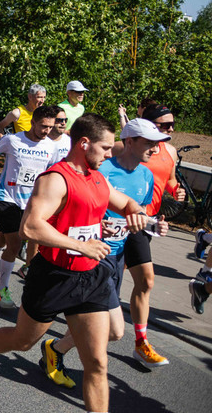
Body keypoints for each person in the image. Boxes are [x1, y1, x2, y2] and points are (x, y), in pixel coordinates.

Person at [0, 114, 149, 413]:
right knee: (22, 341)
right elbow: (30, 227)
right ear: (84, 144)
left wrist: (140, 215)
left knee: (97, 362)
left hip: (91, 277)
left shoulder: (99, 178)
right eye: (104, 148)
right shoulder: (55, 179)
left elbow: (126, 203)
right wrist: (81, 244)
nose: (108, 154)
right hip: (53, 276)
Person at [42, 118, 169, 388]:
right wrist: (99, 229)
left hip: (116, 255)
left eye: (157, 144)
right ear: (131, 141)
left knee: (110, 329)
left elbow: (137, 211)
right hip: (89, 257)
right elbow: (73, 210)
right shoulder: (101, 168)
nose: (154, 149)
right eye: (149, 142)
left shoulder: (146, 175)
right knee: (107, 330)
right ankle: (72, 359)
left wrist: (152, 223)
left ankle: (57, 349)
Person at [113, 104, 184, 367]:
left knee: (146, 282)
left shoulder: (170, 151)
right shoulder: (126, 149)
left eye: (171, 124)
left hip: (145, 223)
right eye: (165, 125)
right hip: (114, 224)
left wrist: (176, 192)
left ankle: (141, 342)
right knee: (108, 288)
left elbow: (171, 180)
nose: (171, 129)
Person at [0, 105, 58, 309]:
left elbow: (53, 172)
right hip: (7, 198)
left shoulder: (50, 147)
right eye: (43, 126)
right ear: (33, 122)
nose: (47, 131)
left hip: (31, 202)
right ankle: (3, 290)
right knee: (14, 244)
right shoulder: (13, 140)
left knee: (5, 237)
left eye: (50, 127)